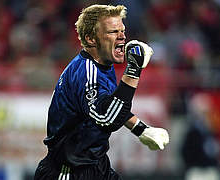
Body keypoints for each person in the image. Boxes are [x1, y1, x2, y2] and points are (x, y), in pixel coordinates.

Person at [34, 4, 169, 180]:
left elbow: (113, 104)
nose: (122, 37)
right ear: (91, 39)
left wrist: (141, 130)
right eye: (113, 32)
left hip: (96, 166)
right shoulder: (86, 73)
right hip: (68, 171)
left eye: (122, 30)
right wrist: (133, 71)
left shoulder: (102, 64)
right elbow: (106, 118)